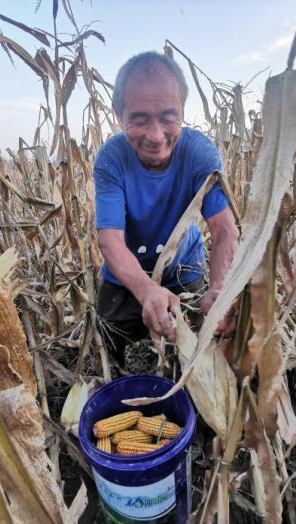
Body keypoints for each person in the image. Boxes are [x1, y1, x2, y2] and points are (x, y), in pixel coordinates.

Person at [93, 51, 239, 366]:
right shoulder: (111, 159)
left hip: (184, 269)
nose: (156, 136)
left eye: (168, 118)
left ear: (183, 112)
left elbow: (224, 228)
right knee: (108, 348)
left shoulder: (200, 154)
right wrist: (146, 290)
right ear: (120, 114)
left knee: (198, 354)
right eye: (140, 119)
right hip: (126, 276)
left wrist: (219, 290)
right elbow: (110, 240)